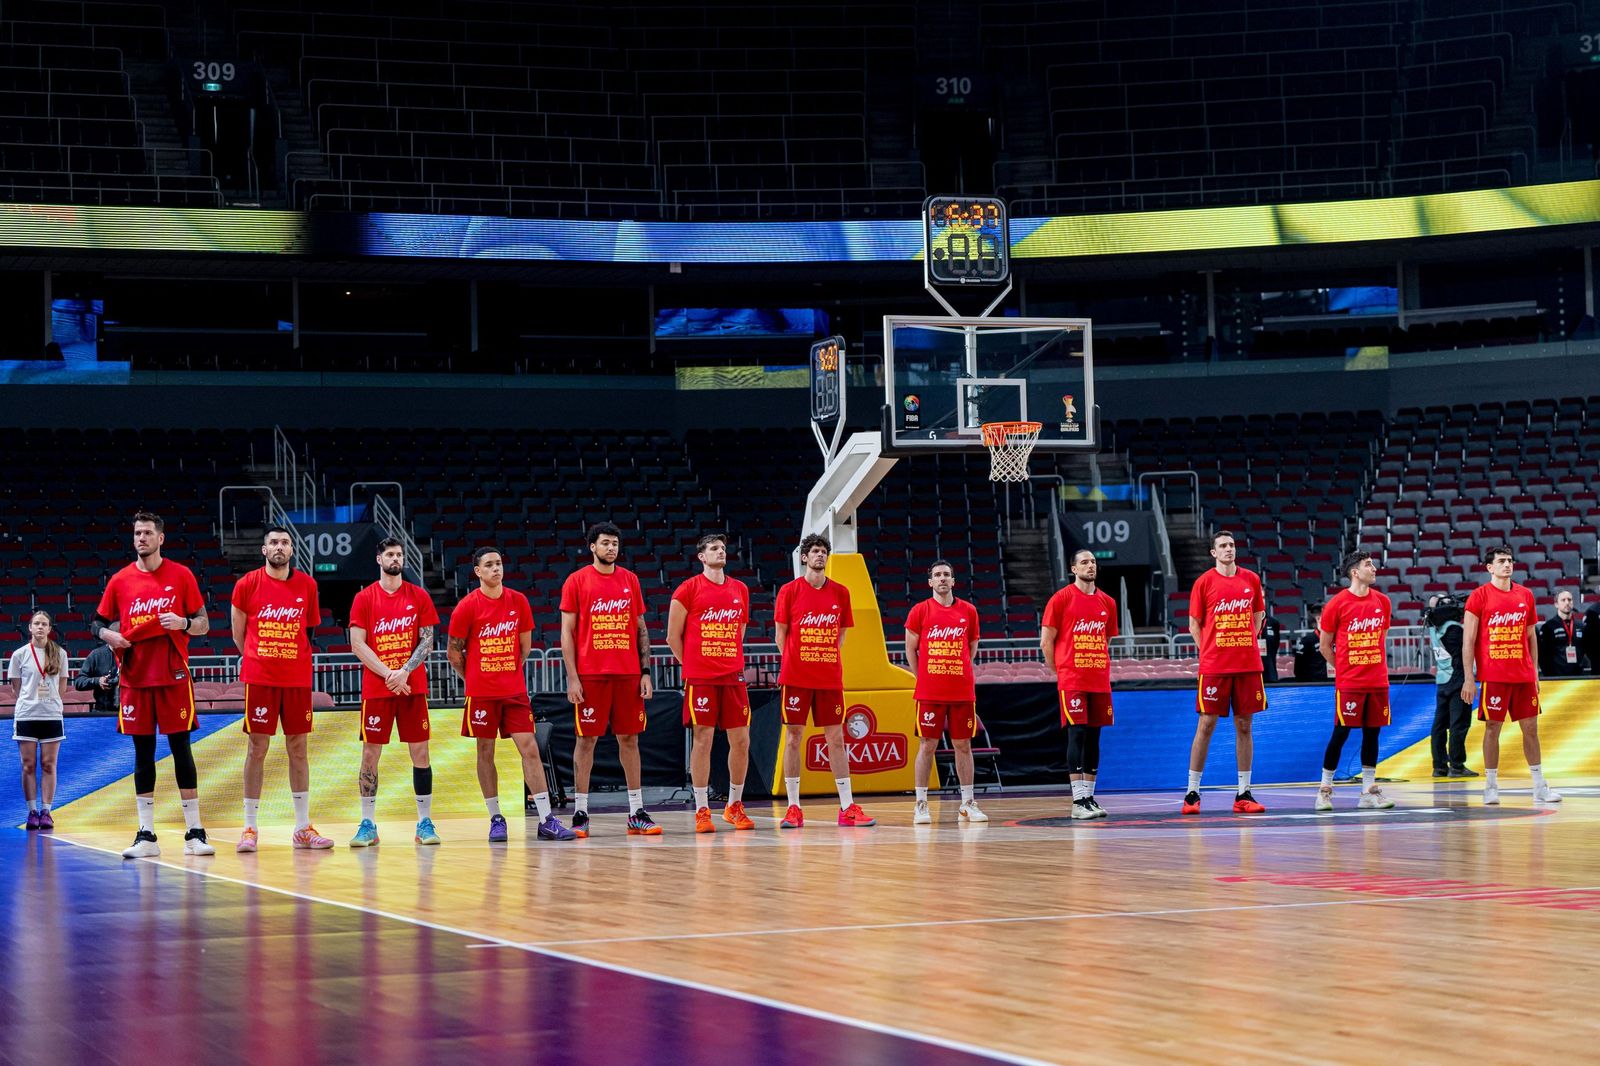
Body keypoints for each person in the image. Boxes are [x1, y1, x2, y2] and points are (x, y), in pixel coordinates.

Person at [93, 511, 214, 859]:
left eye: (147, 533)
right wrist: (109, 635)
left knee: (181, 750)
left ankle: (195, 832)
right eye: (137, 533)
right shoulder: (120, 580)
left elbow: (205, 624)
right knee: (142, 754)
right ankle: (147, 834)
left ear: (161, 538)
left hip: (173, 676)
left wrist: (183, 622)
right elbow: (95, 622)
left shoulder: (181, 575)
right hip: (135, 679)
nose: (141, 538)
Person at [447, 546, 575, 843]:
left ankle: (546, 819)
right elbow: (455, 654)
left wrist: (505, 673)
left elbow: (524, 648)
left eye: (499, 563)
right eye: (489, 565)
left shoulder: (519, 601)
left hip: (514, 691)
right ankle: (496, 818)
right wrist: (475, 678)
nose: (496, 569)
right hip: (481, 694)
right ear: (478, 572)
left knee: (530, 748)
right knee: (485, 751)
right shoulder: (467, 606)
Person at [230, 526, 333, 852]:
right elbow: (239, 634)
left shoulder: (308, 585)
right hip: (260, 678)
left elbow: (309, 630)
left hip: (296, 679)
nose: (279, 547)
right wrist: (259, 659)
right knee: (256, 749)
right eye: (273, 542)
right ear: (264, 550)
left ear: (291, 550)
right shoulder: (247, 584)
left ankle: (302, 828)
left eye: (285, 543)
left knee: (298, 749)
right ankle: (249, 827)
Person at [561, 522, 659, 837]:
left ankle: (636, 811)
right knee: (585, 741)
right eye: (605, 543)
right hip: (591, 675)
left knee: (630, 739)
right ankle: (580, 811)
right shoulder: (576, 581)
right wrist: (572, 677)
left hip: (628, 673)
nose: (611, 548)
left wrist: (645, 672)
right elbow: (567, 632)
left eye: (615, 543)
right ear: (593, 547)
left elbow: (641, 629)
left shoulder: (630, 580)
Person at [775, 533, 874, 828]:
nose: (820, 556)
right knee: (794, 738)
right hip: (796, 677)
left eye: (823, 552)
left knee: (836, 739)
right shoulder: (789, 591)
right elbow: (780, 635)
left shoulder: (841, 593)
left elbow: (840, 636)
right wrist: (796, 661)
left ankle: (847, 807)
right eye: (815, 551)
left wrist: (823, 659)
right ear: (804, 557)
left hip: (829, 678)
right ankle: (793, 807)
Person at [347, 537, 441, 846]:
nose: (395, 558)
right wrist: (389, 674)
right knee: (370, 754)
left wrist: (405, 672)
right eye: (390, 554)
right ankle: (367, 823)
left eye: (399, 554)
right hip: (378, 688)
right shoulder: (365, 598)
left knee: (421, 752)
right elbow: (357, 643)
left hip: (412, 686)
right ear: (379, 559)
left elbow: (427, 640)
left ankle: (425, 822)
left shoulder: (419, 595)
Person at [667, 532, 756, 833]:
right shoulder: (688, 589)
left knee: (741, 740)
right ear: (702, 556)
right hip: (701, 678)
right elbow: (671, 636)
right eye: (714, 548)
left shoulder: (740, 589)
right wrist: (691, 664)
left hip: (733, 675)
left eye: (723, 548)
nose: (721, 552)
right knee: (702, 739)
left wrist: (727, 657)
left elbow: (740, 631)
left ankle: (734, 805)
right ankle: (703, 808)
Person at [1461, 544, 1560, 805]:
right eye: (1502, 560)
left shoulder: (1525, 595)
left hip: (1523, 675)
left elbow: (1531, 636)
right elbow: (1468, 641)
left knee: (1531, 729)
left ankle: (1539, 786)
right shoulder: (1478, 596)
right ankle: (1491, 786)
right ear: (1489, 567)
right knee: (1493, 728)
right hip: (1494, 676)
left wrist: (1535, 671)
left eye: (1510, 560)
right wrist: (1469, 678)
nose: (1508, 564)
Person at [1181, 530, 1267, 815]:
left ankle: (1243, 793)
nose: (1229, 549)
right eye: (1222, 546)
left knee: (1245, 725)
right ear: (1213, 553)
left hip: (1247, 664)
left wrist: (1245, 643)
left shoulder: (1251, 579)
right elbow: (1195, 624)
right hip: (1215, 665)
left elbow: (1258, 617)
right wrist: (1209, 650)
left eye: (1231, 545)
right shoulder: (1204, 582)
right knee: (1206, 724)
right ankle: (1192, 792)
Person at [1314, 552, 1395, 812]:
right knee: (1341, 733)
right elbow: (1325, 646)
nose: (1374, 568)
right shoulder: (1337, 604)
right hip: (1350, 683)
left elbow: (1381, 637)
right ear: (1354, 572)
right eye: (1368, 565)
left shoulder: (1383, 602)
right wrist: (1344, 670)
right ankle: (1325, 790)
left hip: (1378, 681)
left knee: (1373, 734)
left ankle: (1368, 792)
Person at [906, 559, 985, 825]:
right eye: (937, 575)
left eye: (946, 575)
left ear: (953, 581)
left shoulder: (969, 611)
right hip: (930, 692)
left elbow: (971, 646)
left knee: (963, 745)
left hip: (962, 691)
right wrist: (922, 678)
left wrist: (960, 669)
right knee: (927, 745)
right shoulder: (920, 611)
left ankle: (967, 803)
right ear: (930, 582)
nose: (942, 579)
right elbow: (910, 650)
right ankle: (920, 804)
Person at [1041, 550, 1117, 819]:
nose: (1090, 565)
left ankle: (1090, 798)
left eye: (1093, 561)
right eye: (1084, 562)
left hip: (1099, 678)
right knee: (1077, 733)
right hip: (1073, 678)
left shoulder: (1107, 602)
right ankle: (1077, 801)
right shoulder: (1061, 599)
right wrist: (1060, 670)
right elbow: (1046, 641)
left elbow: (1106, 640)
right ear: (1073, 568)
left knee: (1095, 736)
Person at [10, 611, 66, 830]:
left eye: (44, 624)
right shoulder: (19, 655)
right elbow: (16, 687)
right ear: (30, 628)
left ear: (50, 629)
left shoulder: (60, 653)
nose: (40, 627)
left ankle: (46, 811)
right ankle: (32, 811)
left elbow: (62, 686)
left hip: (51, 715)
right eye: (36, 624)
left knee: (49, 765)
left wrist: (50, 702)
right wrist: (31, 701)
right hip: (27, 715)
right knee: (28, 765)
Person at [1426, 594, 1475, 777]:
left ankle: (1439, 766)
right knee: (1458, 724)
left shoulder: (1435, 629)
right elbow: (1465, 655)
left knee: (1439, 725)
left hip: (1442, 679)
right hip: (1458, 679)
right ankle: (1457, 765)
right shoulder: (1454, 629)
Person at [1536, 590, 1586, 676]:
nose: (1567, 603)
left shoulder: (1580, 626)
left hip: (1578, 676)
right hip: (1557, 678)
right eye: (1563, 600)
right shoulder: (1548, 627)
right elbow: (1543, 656)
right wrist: (1549, 676)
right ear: (1556, 604)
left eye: (1569, 600)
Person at [71, 641, 118, 714]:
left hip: (130, 709)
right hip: (103, 711)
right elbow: (79, 682)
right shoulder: (97, 654)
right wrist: (98, 681)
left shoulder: (133, 653)